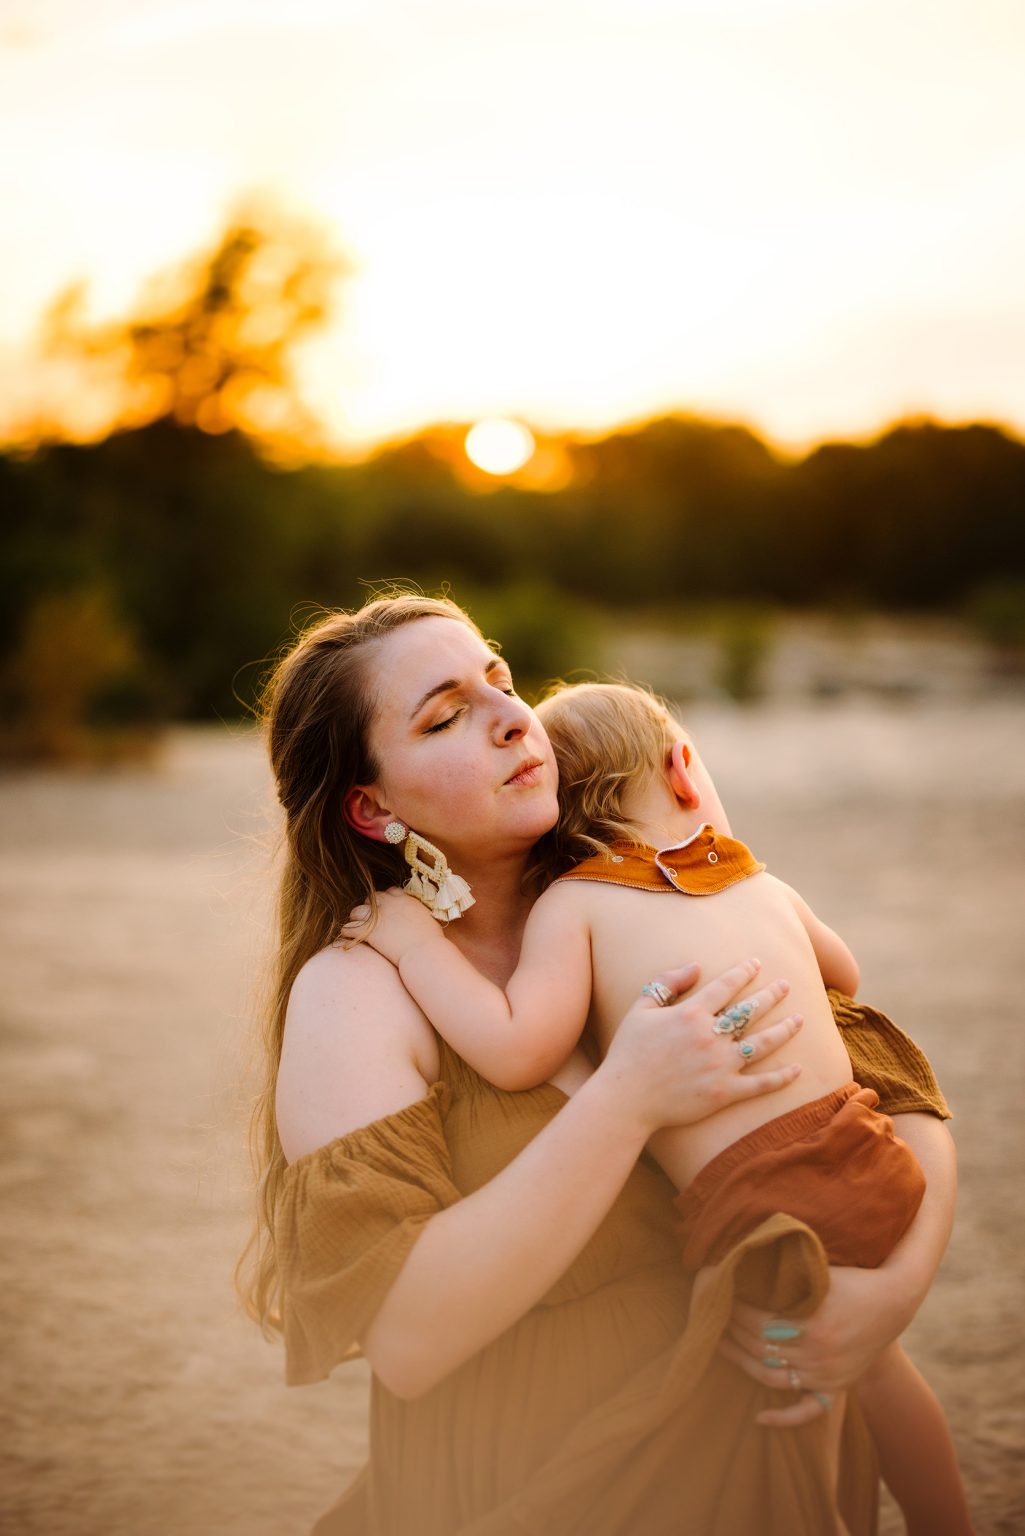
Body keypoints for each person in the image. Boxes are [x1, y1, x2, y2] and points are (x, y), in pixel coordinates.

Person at [242, 592, 957, 1536]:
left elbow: (889, 1100)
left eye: (499, 680)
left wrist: (889, 1294)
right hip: (548, 1482)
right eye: (448, 715)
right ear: (372, 808)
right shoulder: (360, 987)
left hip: (754, 1469)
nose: (510, 718)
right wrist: (625, 1099)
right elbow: (409, 1340)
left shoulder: (625, 901)